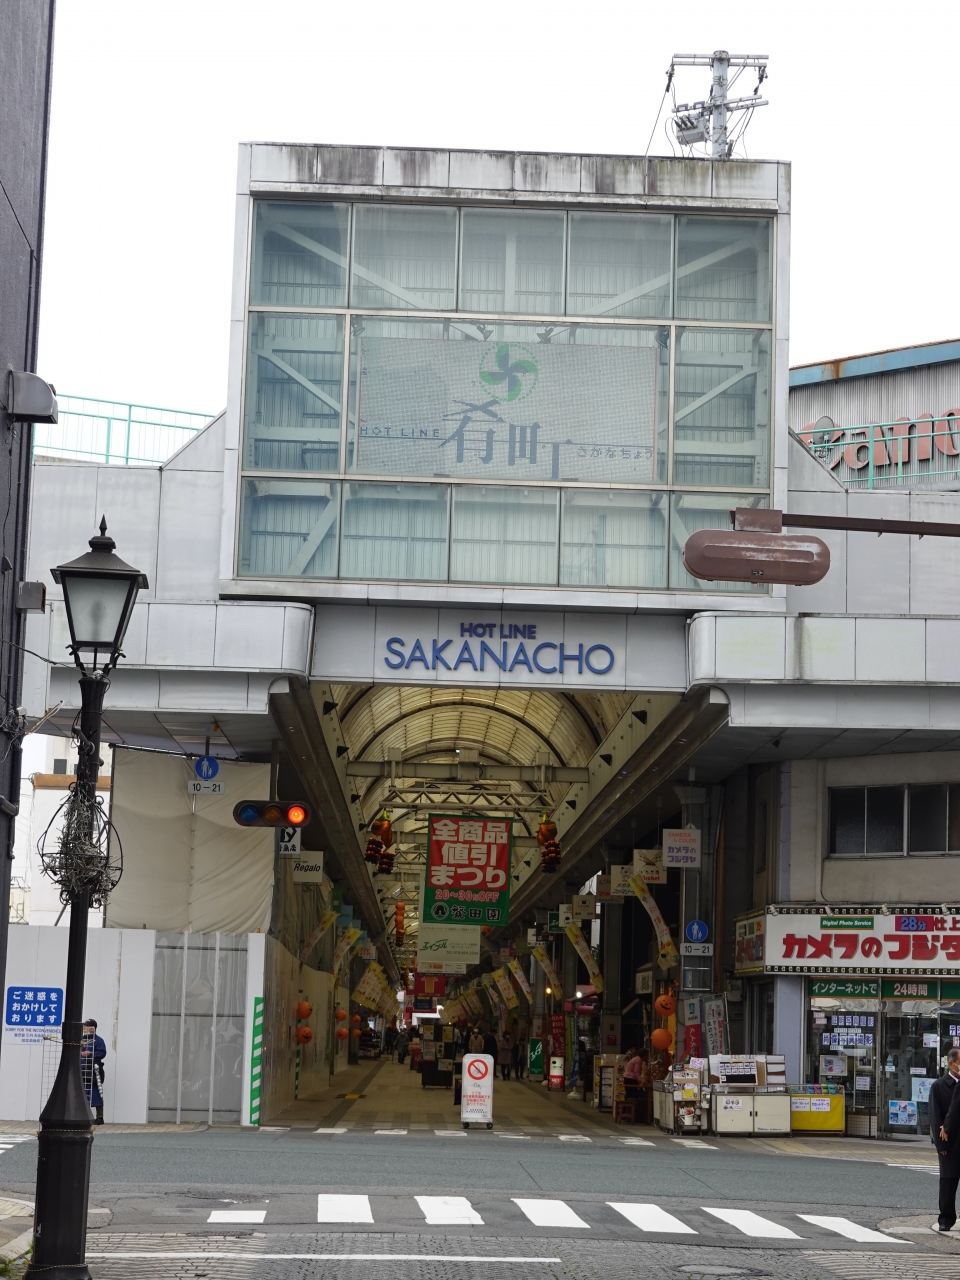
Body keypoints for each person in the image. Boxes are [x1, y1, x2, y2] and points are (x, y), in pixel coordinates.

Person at [929, 1046, 960, 1231]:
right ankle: (946, 1219)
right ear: (951, 1064)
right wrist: (940, 1145)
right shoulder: (939, 1086)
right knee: (948, 1182)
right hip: (949, 1142)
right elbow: (935, 1117)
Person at [81, 1019, 107, 1125]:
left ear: (92, 1028)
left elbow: (102, 1053)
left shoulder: (98, 1040)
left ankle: (99, 1117)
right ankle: (83, 1117)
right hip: (81, 1070)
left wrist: (90, 1053)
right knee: (81, 1094)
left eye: (86, 1027)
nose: (84, 1029)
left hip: (93, 1071)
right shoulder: (80, 1039)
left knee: (96, 1093)